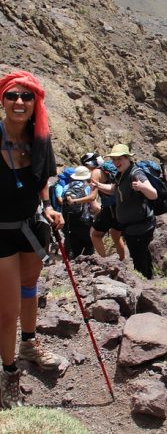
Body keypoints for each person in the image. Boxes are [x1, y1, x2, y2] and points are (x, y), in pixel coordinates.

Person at [0, 71, 64, 408]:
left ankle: (28, 344)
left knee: (29, 287)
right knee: (7, 310)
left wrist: (49, 206)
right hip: (1, 232)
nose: (19, 102)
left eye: (27, 97)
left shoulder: (40, 138)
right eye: (12, 95)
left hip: (30, 226)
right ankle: (9, 372)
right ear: (2, 100)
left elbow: (42, 181)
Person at [92, 144, 157, 279]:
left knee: (139, 260)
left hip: (140, 226)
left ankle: (145, 286)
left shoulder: (135, 173)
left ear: (128, 158)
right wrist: (98, 185)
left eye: (119, 159)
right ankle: (150, 280)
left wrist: (141, 187)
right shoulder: (120, 175)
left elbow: (153, 194)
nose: (116, 162)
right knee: (141, 255)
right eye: (114, 159)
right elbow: (113, 189)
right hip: (132, 227)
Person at [80, 152, 125, 260]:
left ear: (89, 164)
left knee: (95, 235)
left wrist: (75, 201)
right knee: (115, 235)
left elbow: (92, 197)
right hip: (121, 206)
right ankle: (123, 261)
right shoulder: (110, 168)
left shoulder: (95, 172)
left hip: (110, 209)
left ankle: (104, 261)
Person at [61, 165, 94, 258]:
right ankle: (88, 266)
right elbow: (91, 203)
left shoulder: (67, 187)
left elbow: (63, 200)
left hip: (69, 220)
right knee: (89, 245)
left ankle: (75, 265)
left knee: (75, 246)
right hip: (84, 219)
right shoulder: (87, 187)